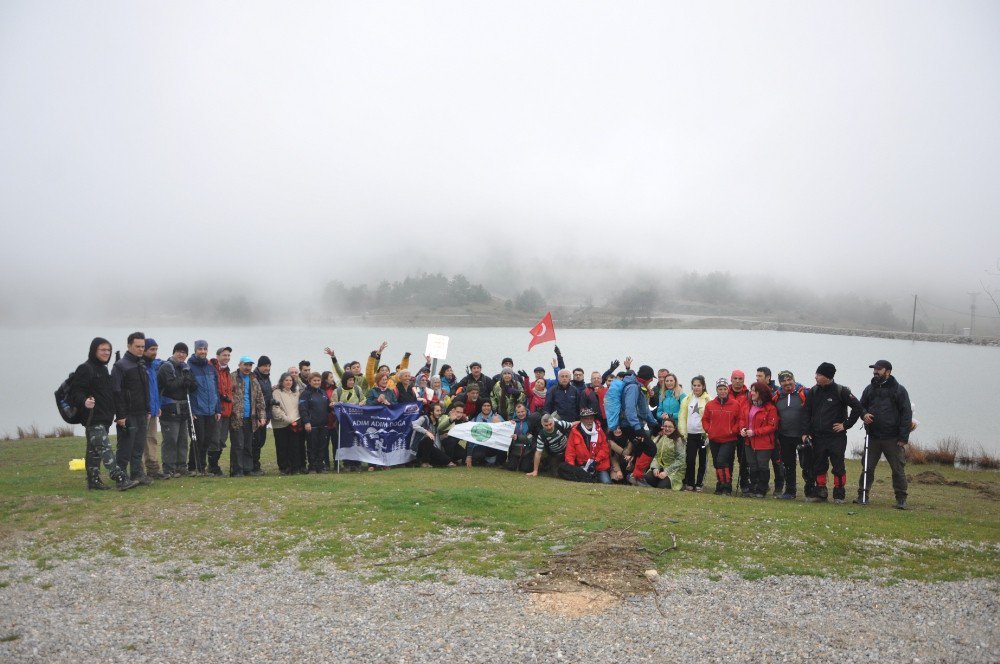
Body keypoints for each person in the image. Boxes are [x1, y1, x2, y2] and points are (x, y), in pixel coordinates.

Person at [67, 337, 139, 491]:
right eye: (103, 350)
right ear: (94, 351)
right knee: (105, 449)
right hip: (92, 418)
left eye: (108, 350)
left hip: (105, 418)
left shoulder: (103, 369)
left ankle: (93, 481)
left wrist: (118, 414)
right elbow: (76, 392)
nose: (106, 353)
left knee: (95, 451)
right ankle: (120, 477)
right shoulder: (85, 368)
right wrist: (84, 401)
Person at [803, 362, 863, 504]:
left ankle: (839, 494)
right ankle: (821, 493)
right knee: (819, 465)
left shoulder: (841, 391)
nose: (816, 377)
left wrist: (846, 425)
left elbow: (858, 407)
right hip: (818, 436)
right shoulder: (813, 391)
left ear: (828, 377)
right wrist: (806, 432)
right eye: (816, 374)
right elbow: (806, 413)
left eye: (819, 375)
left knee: (838, 465)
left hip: (836, 437)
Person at [857, 360, 913, 510]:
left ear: (888, 371)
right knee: (867, 468)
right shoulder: (869, 389)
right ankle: (862, 496)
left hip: (893, 438)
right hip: (873, 436)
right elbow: (860, 406)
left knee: (898, 469)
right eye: (874, 369)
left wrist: (903, 437)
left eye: (879, 369)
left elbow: (906, 414)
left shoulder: (899, 390)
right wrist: (864, 414)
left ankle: (901, 499)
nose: (875, 372)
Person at [111, 332, 152, 485]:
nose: (141, 349)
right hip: (127, 414)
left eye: (143, 346)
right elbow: (116, 392)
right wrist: (121, 415)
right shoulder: (120, 366)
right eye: (138, 346)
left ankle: (137, 474)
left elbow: (145, 389)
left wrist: (148, 410)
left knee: (138, 447)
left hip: (142, 412)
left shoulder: (141, 364)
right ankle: (121, 478)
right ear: (129, 346)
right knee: (125, 448)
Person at [157, 342, 197, 478]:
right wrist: (183, 381)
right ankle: (168, 468)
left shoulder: (185, 368)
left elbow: (193, 386)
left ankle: (181, 466)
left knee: (182, 440)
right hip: (169, 409)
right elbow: (169, 385)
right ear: (174, 352)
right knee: (170, 440)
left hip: (183, 409)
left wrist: (189, 383)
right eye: (179, 351)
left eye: (184, 352)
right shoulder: (166, 367)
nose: (181, 354)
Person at [619, 365, 661, 487]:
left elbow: (644, 409)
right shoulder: (633, 387)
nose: (652, 381)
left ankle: (635, 476)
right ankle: (636, 476)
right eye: (651, 378)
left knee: (641, 449)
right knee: (651, 448)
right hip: (630, 426)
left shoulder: (639, 386)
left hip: (634, 425)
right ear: (647, 378)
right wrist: (638, 428)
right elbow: (630, 410)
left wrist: (654, 424)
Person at [773, 370, 809, 500]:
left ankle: (810, 491)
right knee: (788, 465)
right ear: (780, 383)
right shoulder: (776, 396)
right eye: (783, 381)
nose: (787, 383)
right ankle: (790, 491)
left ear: (794, 379)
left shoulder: (805, 393)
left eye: (789, 380)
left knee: (807, 464)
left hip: (802, 436)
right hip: (784, 436)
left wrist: (808, 432)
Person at [229, 356, 267, 477]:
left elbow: (260, 399)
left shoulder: (254, 379)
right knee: (237, 445)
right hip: (236, 417)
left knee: (248, 445)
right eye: (245, 365)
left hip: (251, 417)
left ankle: (247, 468)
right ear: (240, 364)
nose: (247, 367)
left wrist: (262, 416)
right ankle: (236, 470)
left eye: (250, 365)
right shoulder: (232, 377)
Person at [187, 340, 221, 475]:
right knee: (198, 439)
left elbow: (215, 390)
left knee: (207, 440)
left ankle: (202, 467)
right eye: (200, 349)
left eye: (205, 349)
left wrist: (217, 409)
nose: (203, 351)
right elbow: (188, 392)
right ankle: (193, 467)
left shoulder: (210, 368)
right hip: (197, 410)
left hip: (210, 410)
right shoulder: (189, 367)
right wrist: (191, 411)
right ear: (195, 350)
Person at [739, 382, 779, 498]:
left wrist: (755, 432)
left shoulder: (770, 408)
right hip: (748, 441)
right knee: (752, 465)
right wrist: (742, 429)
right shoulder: (748, 405)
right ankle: (753, 486)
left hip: (764, 442)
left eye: (754, 391)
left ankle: (762, 488)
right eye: (751, 390)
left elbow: (772, 426)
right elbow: (742, 419)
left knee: (762, 466)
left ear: (761, 393)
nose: (751, 393)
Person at [702, 378, 741, 495]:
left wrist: (732, 431)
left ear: (728, 389)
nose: (722, 391)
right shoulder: (710, 405)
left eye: (724, 389)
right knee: (717, 463)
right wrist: (709, 429)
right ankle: (720, 485)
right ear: (717, 390)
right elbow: (705, 419)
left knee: (722, 461)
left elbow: (740, 420)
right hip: (714, 439)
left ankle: (726, 487)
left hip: (729, 439)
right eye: (720, 389)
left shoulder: (735, 404)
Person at [559, 408, 611, 483]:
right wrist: (572, 469)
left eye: (591, 418)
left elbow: (605, 449)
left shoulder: (599, 430)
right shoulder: (574, 432)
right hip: (582, 467)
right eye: (587, 419)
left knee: (606, 482)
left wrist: (595, 461)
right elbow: (570, 452)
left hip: (599, 465)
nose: (589, 421)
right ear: (582, 419)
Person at [677, 376, 710, 492]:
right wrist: (682, 433)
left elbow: (711, 418)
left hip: (702, 435)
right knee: (690, 460)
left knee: (702, 460)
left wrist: (708, 434)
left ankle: (699, 483)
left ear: (703, 386)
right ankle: (690, 483)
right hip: (690, 435)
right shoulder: (687, 399)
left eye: (699, 385)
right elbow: (682, 416)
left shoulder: (708, 400)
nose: (696, 387)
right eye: (694, 385)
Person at [142, 338, 167, 480]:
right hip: (142, 411)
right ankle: (138, 470)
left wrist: (157, 407)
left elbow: (154, 390)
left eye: (156, 349)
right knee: (139, 440)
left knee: (152, 438)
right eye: (152, 349)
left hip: (153, 410)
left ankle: (153, 469)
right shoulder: (141, 366)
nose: (155, 352)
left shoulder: (152, 366)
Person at [271, 372, 304, 475]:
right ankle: (284, 468)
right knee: (282, 447)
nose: (288, 382)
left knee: (294, 447)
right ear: (282, 381)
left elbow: (297, 408)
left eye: (290, 380)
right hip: (281, 424)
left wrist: (296, 420)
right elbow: (276, 409)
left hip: (294, 424)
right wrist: (288, 420)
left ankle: (295, 468)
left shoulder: (296, 393)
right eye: (286, 380)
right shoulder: (276, 392)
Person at [755, 367, 782, 494]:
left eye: (760, 376)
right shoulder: (755, 391)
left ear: (768, 377)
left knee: (777, 461)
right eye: (757, 376)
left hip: (777, 432)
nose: (757, 378)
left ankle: (779, 487)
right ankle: (762, 485)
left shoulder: (777, 391)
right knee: (761, 462)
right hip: (761, 433)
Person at [299, 372, 332, 473]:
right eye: (314, 380)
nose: (317, 382)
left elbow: (327, 407)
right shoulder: (305, 394)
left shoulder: (323, 393)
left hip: (324, 424)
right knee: (312, 446)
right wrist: (306, 422)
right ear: (310, 381)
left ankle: (320, 466)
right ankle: (312, 466)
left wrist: (332, 406)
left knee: (322, 446)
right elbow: (303, 409)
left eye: (318, 380)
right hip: (312, 425)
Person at [526, 413, 574, 478]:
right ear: (542, 425)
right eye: (546, 425)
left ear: (553, 422)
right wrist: (535, 471)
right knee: (556, 475)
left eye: (550, 424)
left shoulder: (560, 424)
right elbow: (538, 453)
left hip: (568, 450)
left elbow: (573, 424)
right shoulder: (541, 435)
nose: (549, 427)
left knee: (572, 469)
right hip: (555, 454)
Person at [728, 369, 751, 496]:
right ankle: (727, 483)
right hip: (729, 432)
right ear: (731, 379)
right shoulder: (725, 392)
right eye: (735, 378)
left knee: (744, 460)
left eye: (740, 379)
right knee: (728, 459)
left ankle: (744, 484)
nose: (737, 381)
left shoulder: (748, 394)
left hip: (743, 431)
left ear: (743, 380)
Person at [211, 346, 234, 471]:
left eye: (228, 355)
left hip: (227, 411)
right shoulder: (213, 369)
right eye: (224, 355)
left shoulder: (227, 371)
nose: (227, 358)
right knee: (215, 439)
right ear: (218, 356)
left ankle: (215, 464)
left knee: (222, 439)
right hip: (216, 410)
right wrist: (222, 397)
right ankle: (212, 466)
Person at [411, 403, 456, 468]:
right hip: (418, 447)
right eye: (437, 411)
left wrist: (442, 436)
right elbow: (413, 425)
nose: (440, 413)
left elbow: (435, 437)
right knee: (428, 439)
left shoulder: (436, 422)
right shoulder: (424, 418)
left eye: (440, 410)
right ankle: (424, 462)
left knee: (447, 460)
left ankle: (429, 462)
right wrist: (426, 432)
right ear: (431, 412)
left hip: (429, 447)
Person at [646, 415, 685, 489]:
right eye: (665, 426)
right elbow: (656, 456)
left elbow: (681, 460)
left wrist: (666, 472)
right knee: (648, 477)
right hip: (661, 468)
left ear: (674, 428)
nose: (667, 428)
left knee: (662, 486)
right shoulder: (659, 438)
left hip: (674, 471)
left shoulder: (678, 440)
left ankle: (666, 483)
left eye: (670, 427)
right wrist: (655, 468)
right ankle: (661, 481)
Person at [251, 356, 274, 474]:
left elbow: (267, 397)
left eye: (269, 366)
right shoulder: (254, 377)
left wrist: (268, 416)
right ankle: (253, 466)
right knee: (255, 441)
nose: (267, 368)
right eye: (265, 366)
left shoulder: (266, 378)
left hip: (265, 415)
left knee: (261, 441)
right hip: (257, 416)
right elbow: (256, 399)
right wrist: (260, 417)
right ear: (259, 366)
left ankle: (255, 464)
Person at [504, 403, 535, 472]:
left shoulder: (531, 422)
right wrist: (507, 425)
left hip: (527, 450)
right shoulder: (512, 422)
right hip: (514, 449)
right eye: (518, 412)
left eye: (522, 411)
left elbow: (531, 437)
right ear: (515, 412)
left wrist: (518, 437)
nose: (521, 414)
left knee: (525, 469)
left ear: (526, 411)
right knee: (511, 467)